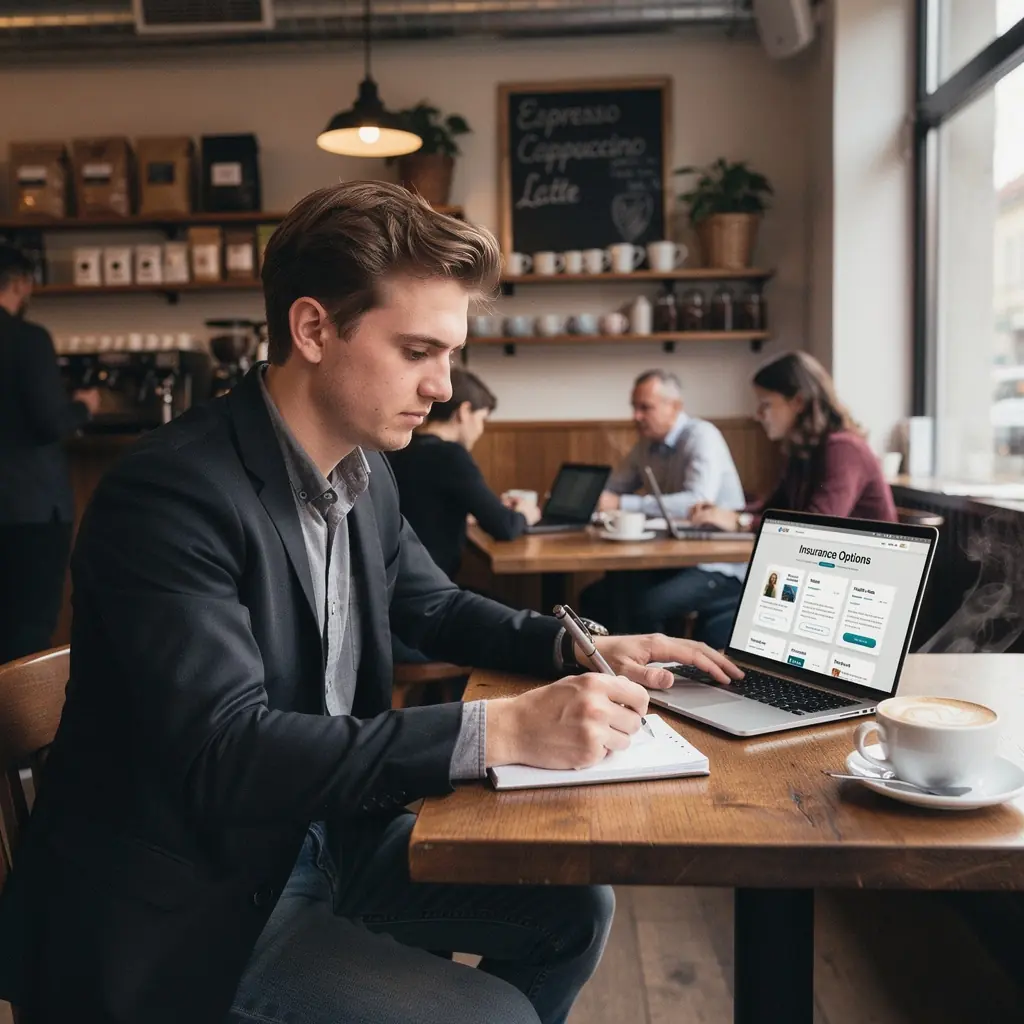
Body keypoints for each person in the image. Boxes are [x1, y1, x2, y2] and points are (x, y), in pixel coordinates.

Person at [0, 182, 742, 1024]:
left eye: (450, 354)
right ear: (313, 328)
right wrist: (497, 730)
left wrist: (580, 648)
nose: (443, 387)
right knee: (490, 1017)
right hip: (195, 896)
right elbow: (225, 754)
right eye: (418, 351)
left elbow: (433, 607)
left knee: (578, 911)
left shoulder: (364, 472)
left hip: (320, 838)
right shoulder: (170, 493)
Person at [582, 369, 747, 648]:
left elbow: (695, 501)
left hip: (718, 564)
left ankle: (653, 676)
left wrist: (620, 503)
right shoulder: (646, 444)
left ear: (675, 407)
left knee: (642, 605)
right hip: (673, 559)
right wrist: (587, 498)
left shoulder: (701, 436)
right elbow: (614, 487)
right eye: (634, 407)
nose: (636, 416)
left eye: (645, 407)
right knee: (600, 595)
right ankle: (615, 671)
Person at [0, 243, 100, 665]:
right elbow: (47, 423)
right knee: (28, 629)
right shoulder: (27, 339)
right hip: (29, 508)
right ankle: (19, 730)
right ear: (21, 283)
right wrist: (84, 406)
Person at [691, 351, 897, 533]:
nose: (758, 415)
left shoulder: (844, 449)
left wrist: (740, 522)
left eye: (766, 404)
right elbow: (773, 510)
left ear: (798, 402)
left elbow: (816, 526)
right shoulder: (804, 449)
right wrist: (721, 513)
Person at [386, 367, 540, 579]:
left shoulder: (403, 447)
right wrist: (525, 514)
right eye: (482, 419)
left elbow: (422, 508)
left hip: (396, 581)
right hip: (429, 590)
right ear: (464, 411)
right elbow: (505, 527)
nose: (481, 429)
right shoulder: (449, 455)